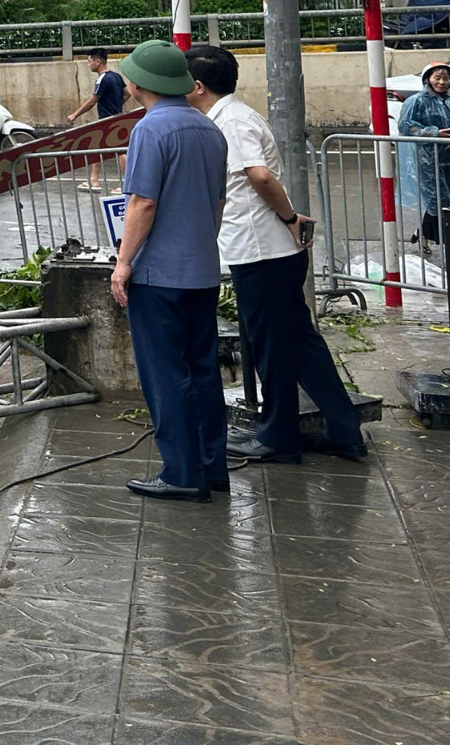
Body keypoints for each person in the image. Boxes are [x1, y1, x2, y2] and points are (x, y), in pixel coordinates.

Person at [184, 45, 366, 464]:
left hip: (261, 252)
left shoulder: (229, 121)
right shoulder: (234, 115)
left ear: (197, 86)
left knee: (273, 348)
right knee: (299, 343)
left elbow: (260, 176)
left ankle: (278, 436)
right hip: (268, 252)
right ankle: (343, 428)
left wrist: (288, 217)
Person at [111, 39, 229, 501]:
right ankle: (210, 466)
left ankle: (181, 473)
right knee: (203, 371)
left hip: (159, 275)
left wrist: (123, 264)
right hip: (201, 269)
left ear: (141, 83)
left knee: (166, 376)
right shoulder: (208, 128)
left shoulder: (150, 130)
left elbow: (142, 202)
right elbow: (216, 203)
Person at [400, 61, 450, 254]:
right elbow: (407, 127)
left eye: (446, 78)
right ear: (427, 79)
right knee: (440, 202)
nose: (441, 82)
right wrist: (434, 133)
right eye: (437, 77)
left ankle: (423, 234)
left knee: (445, 201)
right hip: (427, 159)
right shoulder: (416, 101)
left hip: (449, 158)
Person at [65, 47, 128, 188]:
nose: (88, 65)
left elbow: (93, 101)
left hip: (106, 119)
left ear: (97, 62)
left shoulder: (102, 79)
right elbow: (127, 94)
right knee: (98, 147)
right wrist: (116, 104)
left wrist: (75, 114)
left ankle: (127, 184)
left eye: (89, 62)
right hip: (117, 117)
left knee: (118, 151)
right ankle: (94, 180)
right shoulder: (116, 76)